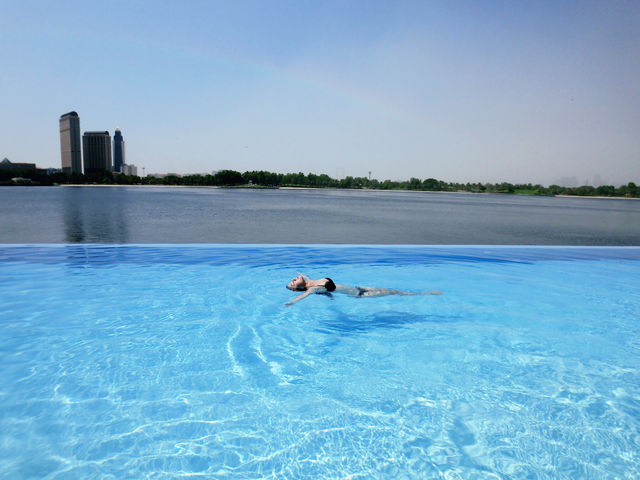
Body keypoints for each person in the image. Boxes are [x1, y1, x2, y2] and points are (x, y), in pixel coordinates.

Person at [285, 273, 442, 307]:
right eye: (293, 283)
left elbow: (305, 279)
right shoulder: (311, 289)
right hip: (361, 294)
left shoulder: (311, 280)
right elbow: (304, 295)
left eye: (292, 280)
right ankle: (424, 294)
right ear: (299, 287)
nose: (293, 280)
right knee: (395, 292)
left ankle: (421, 293)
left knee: (392, 290)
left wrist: (302, 276)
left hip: (359, 288)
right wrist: (292, 302)